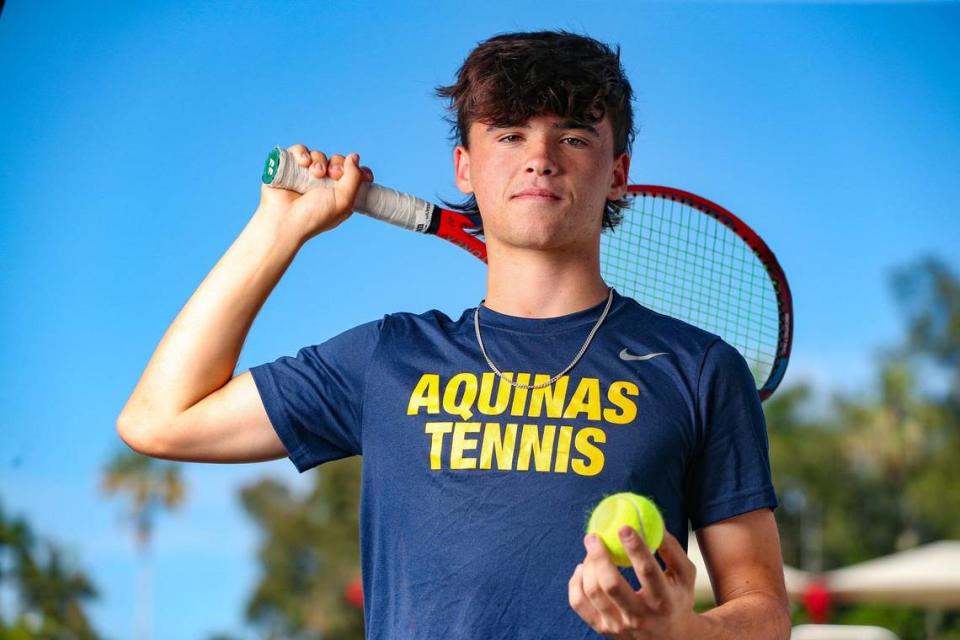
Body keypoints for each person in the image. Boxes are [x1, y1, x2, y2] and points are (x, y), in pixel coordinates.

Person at [117, 31, 791, 640]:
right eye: (509, 134)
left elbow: (765, 613)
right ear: (464, 167)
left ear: (617, 174)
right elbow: (160, 421)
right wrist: (278, 230)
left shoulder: (698, 368)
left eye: (575, 136)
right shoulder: (389, 357)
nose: (541, 159)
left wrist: (684, 635)